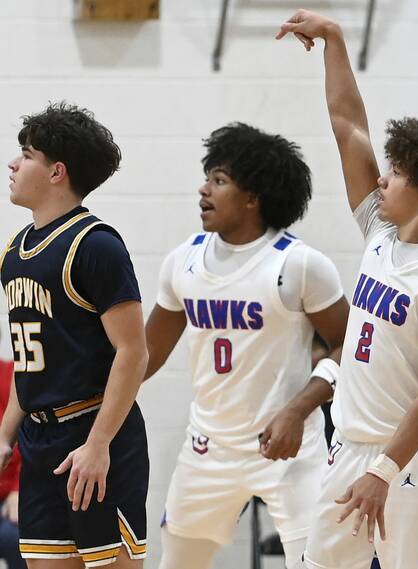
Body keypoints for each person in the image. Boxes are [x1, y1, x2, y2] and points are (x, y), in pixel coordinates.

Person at [276, 10, 418, 569]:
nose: (381, 178)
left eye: (395, 172)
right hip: (349, 446)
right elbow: (348, 125)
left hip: (412, 460)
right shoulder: (381, 231)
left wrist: (385, 468)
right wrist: (333, 40)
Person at [144, 122, 350, 569]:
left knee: (320, 564)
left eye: (219, 180)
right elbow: (145, 356)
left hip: (291, 449)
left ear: (253, 198)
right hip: (207, 449)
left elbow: (349, 345)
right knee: (176, 564)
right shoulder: (183, 261)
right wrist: (94, 403)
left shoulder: (300, 264)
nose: (203, 190)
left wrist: (298, 409)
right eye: (207, 177)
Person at [0, 103, 149, 568]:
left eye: (25, 155)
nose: (13, 164)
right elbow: (32, 363)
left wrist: (99, 443)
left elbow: (134, 351)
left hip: (95, 434)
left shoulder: (96, 245)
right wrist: (5, 437)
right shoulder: (14, 252)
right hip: (39, 444)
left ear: (56, 172)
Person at [0, 354, 26, 569]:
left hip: (12, 493)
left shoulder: (12, 375)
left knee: (13, 537)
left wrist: (19, 489)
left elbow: (35, 434)